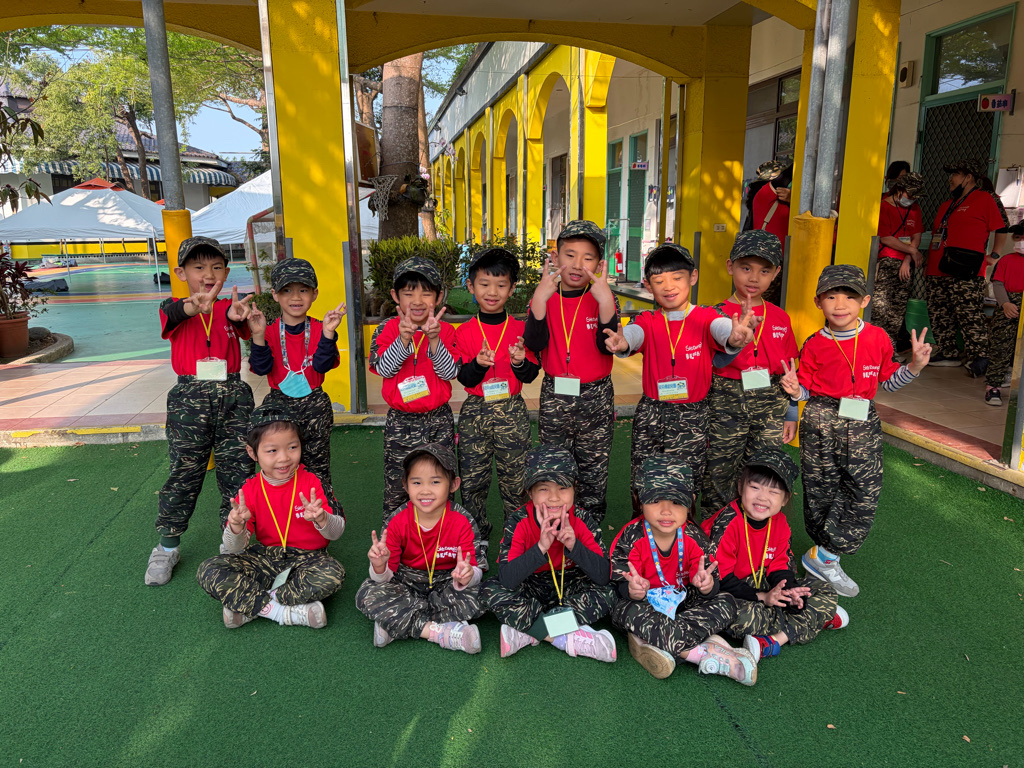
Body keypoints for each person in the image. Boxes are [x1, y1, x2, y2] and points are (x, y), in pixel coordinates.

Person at [781, 265, 932, 597]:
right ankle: (826, 557)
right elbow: (805, 389)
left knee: (864, 489)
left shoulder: (878, 338)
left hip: (862, 418)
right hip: (820, 418)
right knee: (820, 489)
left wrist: (915, 367)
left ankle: (824, 554)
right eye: (831, 296)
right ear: (818, 301)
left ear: (864, 301)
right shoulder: (814, 343)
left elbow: (889, 381)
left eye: (849, 297)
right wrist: (794, 391)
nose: (840, 304)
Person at [602, 242, 757, 515]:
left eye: (677, 278)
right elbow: (634, 335)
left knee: (686, 482)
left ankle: (684, 535)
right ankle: (642, 533)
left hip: (692, 416)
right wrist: (623, 342)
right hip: (651, 414)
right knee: (644, 480)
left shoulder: (707, 316)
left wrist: (735, 337)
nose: (668, 286)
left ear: (693, 277)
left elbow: (722, 329)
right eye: (659, 281)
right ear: (648, 286)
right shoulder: (647, 319)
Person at [145, 236, 256, 586]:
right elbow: (177, 314)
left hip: (234, 396)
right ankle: (167, 546)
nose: (208, 274)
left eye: (216, 267)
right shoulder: (172, 307)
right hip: (189, 399)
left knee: (239, 472)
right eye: (198, 267)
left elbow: (243, 326)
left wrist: (238, 316)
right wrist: (193, 307)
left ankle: (234, 543)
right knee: (184, 471)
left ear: (226, 271)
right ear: (181, 273)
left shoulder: (230, 307)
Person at [609, 455, 756, 684]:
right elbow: (618, 585)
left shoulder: (695, 537)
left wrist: (707, 586)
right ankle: (698, 652)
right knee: (623, 609)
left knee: (726, 601)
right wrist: (631, 591)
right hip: (645, 607)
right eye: (655, 500)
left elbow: (712, 583)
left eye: (677, 502)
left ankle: (655, 644)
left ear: (691, 502)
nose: (666, 511)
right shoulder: (630, 537)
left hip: (682, 606)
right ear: (639, 500)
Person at [195, 405, 345, 628]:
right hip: (266, 558)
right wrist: (236, 527)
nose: (284, 458)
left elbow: (336, 533)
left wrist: (322, 519)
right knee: (208, 570)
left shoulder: (313, 481)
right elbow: (234, 548)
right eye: (272, 450)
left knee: (333, 573)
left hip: (309, 560)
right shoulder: (249, 489)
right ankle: (283, 612)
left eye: (292, 447)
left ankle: (253, 605)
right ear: (252, 453)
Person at [702, 448, 847, 663]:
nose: (762, 497)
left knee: (825, 589)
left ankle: (773, 640)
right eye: (755, 487)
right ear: (741, 487)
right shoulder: (727, 523)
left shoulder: (779, 522)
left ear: (785, 498)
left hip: (762, 582)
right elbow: (720, 578)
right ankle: (812, 618)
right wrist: (763, 598)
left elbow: (780, 565)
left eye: (773, 492)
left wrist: (789, 593)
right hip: (729, 589)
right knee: (739, 617)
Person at [481, 445, 617, 662]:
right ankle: (560, 636)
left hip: (570, 586)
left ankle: (529, 631)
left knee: (611, 591)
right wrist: (541, 547)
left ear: (574, 489)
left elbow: (603, 576)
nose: (554, 498)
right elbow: (507, 579)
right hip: (531, 586)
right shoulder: (518, 521)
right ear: (530, 493)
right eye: (544, 489)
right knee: (491, 588)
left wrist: (574, 546)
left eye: (563, 488)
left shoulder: (583, 519)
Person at [523, 220, 620, 522]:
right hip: (555, 393)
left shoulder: (603, 297)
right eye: (570, 255)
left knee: (594, 466)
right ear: (555, 257)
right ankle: (553, 522)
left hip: (596, 395)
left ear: (599, 264)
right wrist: (540, 299)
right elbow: (535, 343)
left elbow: (607, 346)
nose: (578, 265)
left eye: (588, 258)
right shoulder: (544, 295)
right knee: (554, 464)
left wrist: (605, 300)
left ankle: (590, 526)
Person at [700, 230, 799, 520]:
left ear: (776, 273)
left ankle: (754, 533)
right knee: (719, 469)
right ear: (730, 267)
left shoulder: (780, 317)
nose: (754, 278)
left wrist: (791, 412)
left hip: (770, 402)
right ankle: (716, 530)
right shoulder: (713, 314)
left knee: (763, 470)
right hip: (725, 399)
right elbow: (705, 363)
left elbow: (789, 369)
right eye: (746, 268)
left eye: (764, 271)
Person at [355, 443, 485, 653]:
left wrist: (467, 576)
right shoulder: (397, 520)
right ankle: (439, 632)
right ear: (406, 485)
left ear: (453, 484)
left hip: (447, 583)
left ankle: (395, 623)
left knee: (484, 594)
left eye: (435, 482)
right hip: (405, 584)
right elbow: (384, 578)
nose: (425, 490)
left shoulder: (463, 520)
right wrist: (379, 566)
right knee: (368, 592)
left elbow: (476, 570)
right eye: (416, 482)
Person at [455, 246, 540, 559]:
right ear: (471, 286)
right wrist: (478, 364)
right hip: (475, 412)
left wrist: (518, 362)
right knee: (472, 482)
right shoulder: (464, 332)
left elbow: (531, 374)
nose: (492, 292)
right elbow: (464, 378)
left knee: (516, 482)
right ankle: (476, 540)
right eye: (484, 284)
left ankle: (517, 538)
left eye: (501, 285)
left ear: (512, 288)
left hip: (512, 411)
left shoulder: (521, 330)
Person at [247, 258, 345, 508]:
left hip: (315, 405)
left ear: (315, 294)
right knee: (280, 467)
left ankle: (322, 518)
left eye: (303, 290)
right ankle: (281, 516)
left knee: (317, 466)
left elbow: (322, 366)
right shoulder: (268, 330)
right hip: (278, 405)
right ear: (275, 295)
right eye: (287, 290)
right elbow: (261, 368)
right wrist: (257, 336)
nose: (295, 297)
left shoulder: (322, 327)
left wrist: (329, 334)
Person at [368, 256, 458, 515]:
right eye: (408, 293)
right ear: (395, 296)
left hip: (438, 420)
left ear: (438, 297)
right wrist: (403, 340)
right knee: (398, 485)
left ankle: (443, 533)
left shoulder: (446, 331)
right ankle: (393, 535)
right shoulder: (386, 329)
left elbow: (450, 372)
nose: (417, 301)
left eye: (426, 293)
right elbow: (384, 369)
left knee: (441, 482)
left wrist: (434, 341)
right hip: (400, 421)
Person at [925, 159, 1009, 374]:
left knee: (969, 313)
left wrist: (995, 255)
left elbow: (1001, 228)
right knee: (939, 312)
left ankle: (980, 356)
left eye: (955, 174)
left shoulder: (985, 198)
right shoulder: (947, 204)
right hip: (937, 267)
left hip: (966, 268)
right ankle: (948, 352)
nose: (950, 179)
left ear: (968, 177)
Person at [873, 172, 926, 354]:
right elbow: (885, 238)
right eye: (910, 194)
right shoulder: (884, 206)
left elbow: (916, 236)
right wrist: (911, 251)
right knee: (880, 309)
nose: (912, 199)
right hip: (886, 262)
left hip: (905, 264)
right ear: (900, 189)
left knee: (897, 311)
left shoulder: (915, 208)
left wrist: (908, 258)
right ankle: (874, 349)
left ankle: (889, 350)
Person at [984, 222, 1024, 406]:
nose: (1021, 240)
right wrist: (1005, 304)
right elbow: (998, 283)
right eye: (1018, 237)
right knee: (1000, 347)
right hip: (1008, 306)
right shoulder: (1007, 260)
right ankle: (993, 387)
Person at [751, 162, 793, 305]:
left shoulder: (774, 200)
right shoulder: (765, 194)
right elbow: (787, 175)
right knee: (765, 302)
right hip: (770, 258)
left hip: (777, 258)